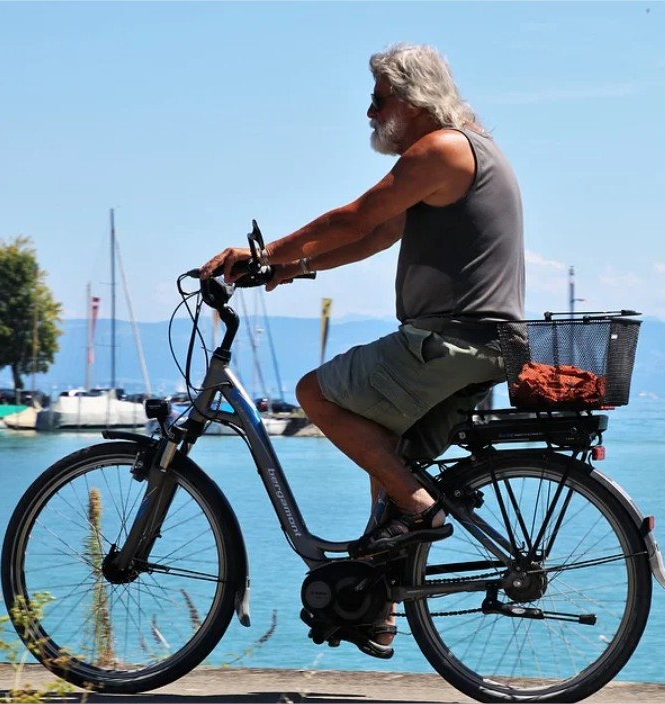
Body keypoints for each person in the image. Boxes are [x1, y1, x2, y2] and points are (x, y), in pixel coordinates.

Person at [199, 42, 524, 656]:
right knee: (385, 454)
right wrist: (289, 270)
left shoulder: (443, 149)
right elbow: (376, 235)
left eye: (377, 100)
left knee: (313, 393)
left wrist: (263, 254)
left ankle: (422, 508)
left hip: (454, 338)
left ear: (407, 99)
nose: (370, 113)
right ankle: (378, 611)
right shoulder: (463, 152)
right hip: (484, 343)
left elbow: (354, 215)